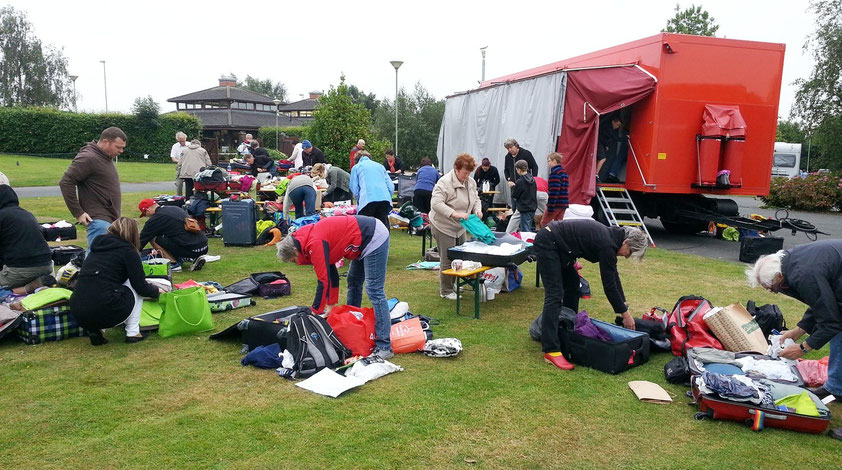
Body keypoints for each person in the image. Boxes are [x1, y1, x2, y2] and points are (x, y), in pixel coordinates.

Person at [747, 241, 842, 440]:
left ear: (779, 277)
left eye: (772, 287)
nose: (773, 292)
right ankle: (836, 388)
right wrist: (799, 330)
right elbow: (822, 301)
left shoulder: (803, 274)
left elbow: (830, 322)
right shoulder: (790, 263)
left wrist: (804, 348)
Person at [536, 219, 648, 370]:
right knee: (555, 294)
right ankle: (551, 349)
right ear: (626, 242)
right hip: (549, 242)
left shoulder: (612, 239)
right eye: (630, 252)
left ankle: (568, 330)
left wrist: (624, 307)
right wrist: (624, 314)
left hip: (561, 246)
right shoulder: (607, 244)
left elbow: (614, 277)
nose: (627, 256)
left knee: (574, 286)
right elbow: (609, 286)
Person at [277, 215, 393, 359]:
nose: (297, 263)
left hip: (373, 235)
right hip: (361, 239)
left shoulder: (314, 243)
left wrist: (315, 312)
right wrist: (330, 306)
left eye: (294, 260)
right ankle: (353, 325)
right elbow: (332, 273)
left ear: (295, 251)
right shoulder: (305, 240)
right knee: (353, 281)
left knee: (374, 290)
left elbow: (323, 281)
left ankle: (384, 346)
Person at [69, 217, 161, 346]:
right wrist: (157, 291)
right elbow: (141, 286)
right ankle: (133, 333)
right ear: (133, 233)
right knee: (132, 283)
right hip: (106, 308)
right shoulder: (128, 251)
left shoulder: (95, 250)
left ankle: (95, 329)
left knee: (99, 286)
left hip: (78, 311)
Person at [60, 126, 126, 251]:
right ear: (106, 142)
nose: (121, 151)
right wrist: (78, 212)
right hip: (98, 220)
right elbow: (66, 182)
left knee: (105, 259)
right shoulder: (88, 157)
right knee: (96, 261)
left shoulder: (103, 156)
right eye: (118, 147)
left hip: (108, 218)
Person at [429, 153, 483, 300]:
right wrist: (454, 213)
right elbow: (436, 204)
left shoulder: (470, 182)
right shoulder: (444, 183)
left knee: (460, 256)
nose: (466, 176)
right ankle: (445, 291)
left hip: (460, 226)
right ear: (456, 169)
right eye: (464, 173)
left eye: (469, 173)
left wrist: (477, 209)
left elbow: (476, 198)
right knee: (447, 258)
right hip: (443, 225)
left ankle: (452, 284)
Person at [0, 185, 54, 294]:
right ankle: (36, 283)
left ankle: (23, 288)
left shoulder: (2, 216)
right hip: (47, 265)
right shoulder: (27, 214)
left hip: (21, 269)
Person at [137, 199, 208, 272]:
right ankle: (192, 257)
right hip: (203, 246)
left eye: (145, 214)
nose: (146, 216)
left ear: (147, 210)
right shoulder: (174, 208)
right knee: (173, 235)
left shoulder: (155, 218)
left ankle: (173, 264)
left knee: (153, 238)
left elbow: (142, 240)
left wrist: (132, 253)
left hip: (191, 249)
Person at [350, 151, 395, 228]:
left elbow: (354, 188)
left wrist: (359, 199)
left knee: (366, 228)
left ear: (356, 161)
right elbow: (391, 186)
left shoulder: (356, 167)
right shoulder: (380, 166)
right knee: (382, 227)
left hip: (367, 200)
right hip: (384, 200)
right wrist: (388, 196)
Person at [541, 152, 569, 227]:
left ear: (555, 161)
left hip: (556, 203)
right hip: (563, 203)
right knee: (559, 225)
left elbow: (554, 191)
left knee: (544, 224)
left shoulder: (555, 173)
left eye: (549, 161)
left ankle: (544, 238)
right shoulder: (564, 173)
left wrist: (550, 206)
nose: (548, 163)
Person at [511, 160, 537, 232]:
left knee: (525, 230)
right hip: (532, 206)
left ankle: (526, 243)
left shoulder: (520, 181)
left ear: (519, 169)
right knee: (528, 227)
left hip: (524, 207)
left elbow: (515, 195)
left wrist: (513, 187)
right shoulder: (532, 179)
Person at [596, 116, 623, 181]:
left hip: (600, 143)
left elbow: (605, 137)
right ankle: (596, 174)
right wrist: (625, 138)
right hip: (599, 142)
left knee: (599, 159)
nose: (617, 127)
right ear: (613, 122)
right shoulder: (608, 127)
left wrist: (606, 145)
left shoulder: (606, 125)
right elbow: (614, 137)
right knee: (603, 158)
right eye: (617, 125)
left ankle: (595, 173)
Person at [170, 131, 188, 196]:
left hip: (189, 167)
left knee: (190, 183)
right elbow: (173, 158)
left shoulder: (190, 145)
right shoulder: (175, 146)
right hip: (180, 166)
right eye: (181, 141)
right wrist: (181, 162)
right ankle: (179, 197)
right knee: (179, 184)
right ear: (178, 140)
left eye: (183, 141)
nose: (182, 143)